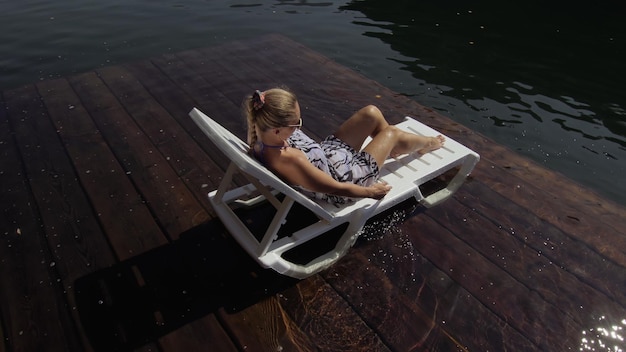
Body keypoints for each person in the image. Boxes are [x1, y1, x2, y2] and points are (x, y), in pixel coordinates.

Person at [243, 87, 445, 205]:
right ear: (278, 130)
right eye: (297, 124)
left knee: (371, 113)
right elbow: (333, 188)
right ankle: (428, 143)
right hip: (348, 178)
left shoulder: (259, 133)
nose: (298, 126)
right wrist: (370, 192)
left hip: (328, 158)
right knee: (392, 132)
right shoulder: (291, 159)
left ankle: (393, 147)